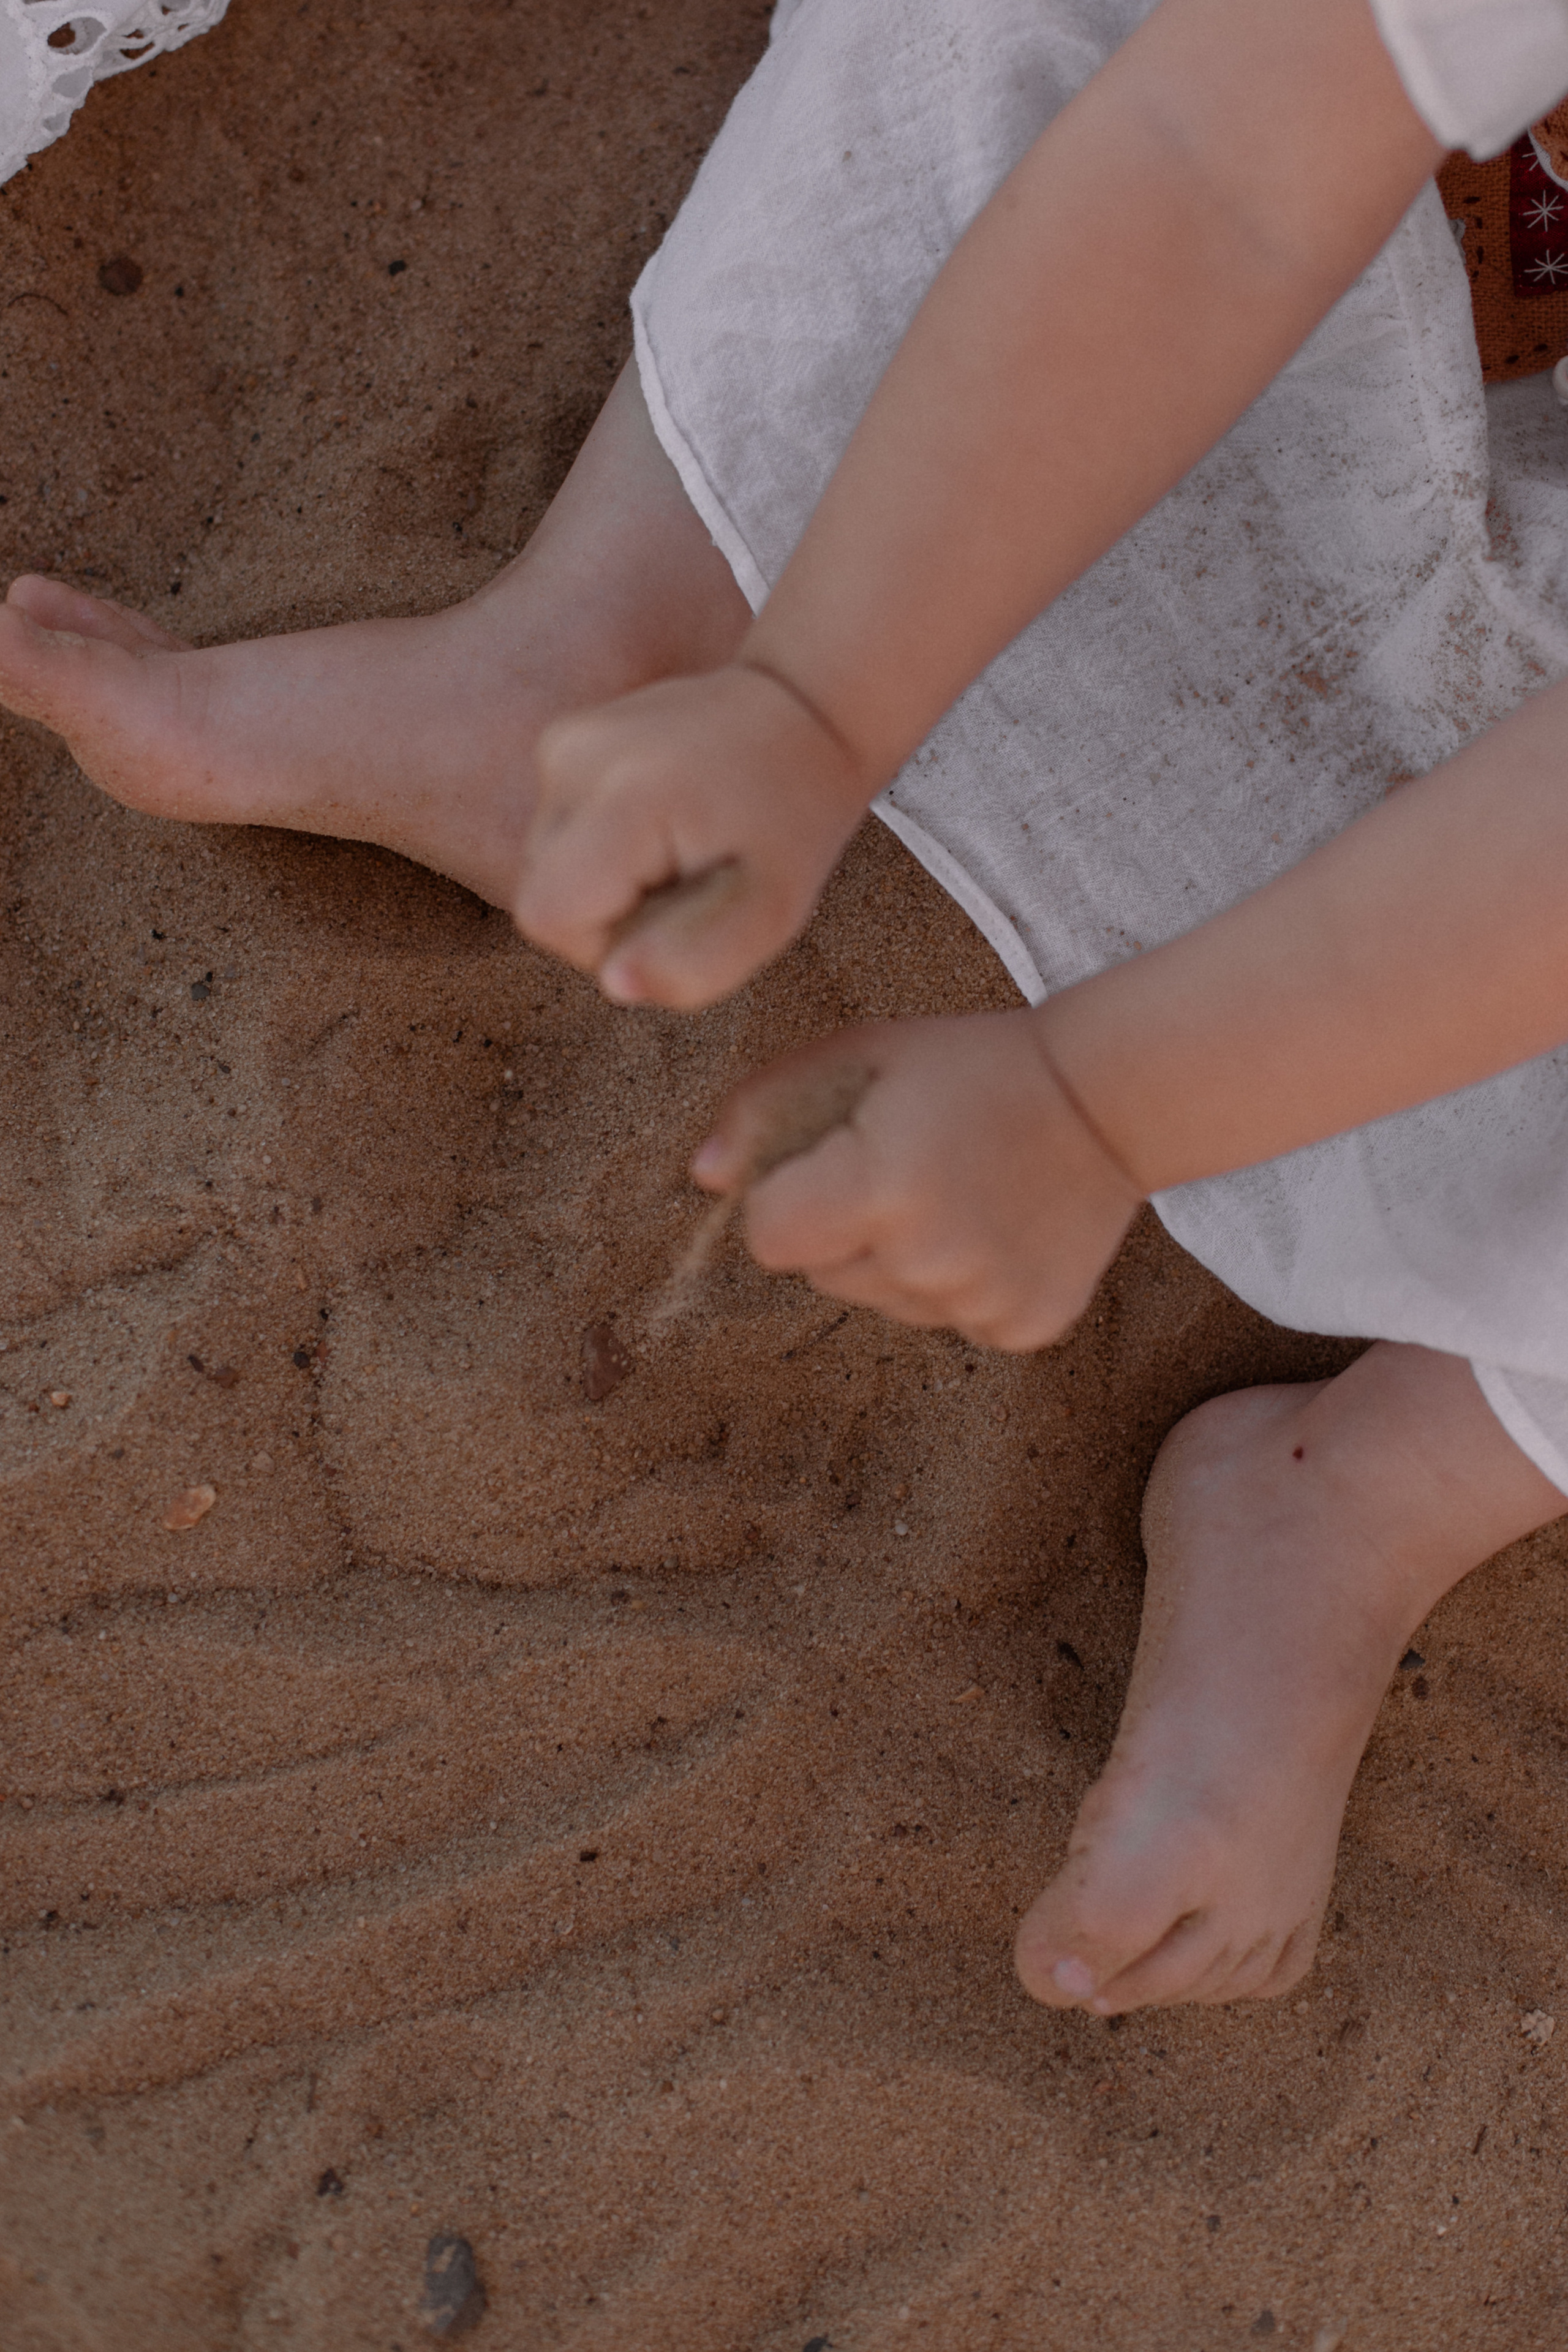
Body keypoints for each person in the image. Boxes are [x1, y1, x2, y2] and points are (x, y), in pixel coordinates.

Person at [6, 0, 1568, 2017]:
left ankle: (1377, 1487)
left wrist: (1106, 1105)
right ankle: (611, 648)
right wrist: (806, 702)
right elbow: (1222, 159)